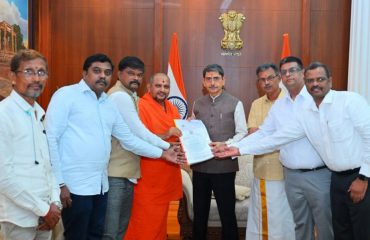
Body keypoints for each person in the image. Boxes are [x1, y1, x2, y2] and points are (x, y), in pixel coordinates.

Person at [213, 61, 370, 240]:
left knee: (354, 229)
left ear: (330, 81)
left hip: (352, 176)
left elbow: (369, 137)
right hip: (323, 178)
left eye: (320, 79)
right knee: (334, 228)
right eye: (311, 81)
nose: (315, 84)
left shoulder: (350, 100)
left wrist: (363, 177)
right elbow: (272, 135)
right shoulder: (305, 112)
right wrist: (236, 148)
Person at [45, 54, 179, 240]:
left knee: (97, 234)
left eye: (107, 72)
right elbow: (51, 139)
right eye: (97, 71)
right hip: (75, 185)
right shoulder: (67, 95)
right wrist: (59, 183)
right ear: (84, 73)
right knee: (77, 235)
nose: (103, 76)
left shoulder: (107, 103)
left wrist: (163, 152)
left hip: (101, 185)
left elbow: (129, 139)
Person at [103, 56, 176, 240]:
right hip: (117, 174)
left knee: (119, 230)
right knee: (112, 232)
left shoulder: (129, 96)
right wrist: (166, 149)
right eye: (131, 73)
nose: (135, 78)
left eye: (139, 74)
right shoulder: (120, 96)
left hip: (129, 173)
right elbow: (137, 135)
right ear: (119, 74)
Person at [0, 49, 61, 239]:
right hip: (18, 219)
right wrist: (44, 209)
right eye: (28, 72)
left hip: (45, 218)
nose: (36, 78)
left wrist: (55, 204)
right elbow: (3, 177)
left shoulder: (40, 114)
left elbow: (47, 167)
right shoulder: (4, 114)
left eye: (41, 72)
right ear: (12, 76)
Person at [191, 64, 247, 240]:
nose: (213, 82)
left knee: (227, 213)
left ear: (224, 80)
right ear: (203, 81)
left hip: (224, 167)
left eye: (216, 78)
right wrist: (187, 127)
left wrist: (226, 144)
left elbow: (242, 132)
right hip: (200, 167)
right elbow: (193, 130)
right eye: (209, 78)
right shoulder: (197, 103)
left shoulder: (236, 103)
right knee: (199, 213)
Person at [124, 73, 183, 240]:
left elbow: (179, 137)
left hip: (167, 175)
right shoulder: (140, 106)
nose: (162, 90)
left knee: (160, 225)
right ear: (149, 87)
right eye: (158, 86)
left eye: (166, 86)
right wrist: (166, 134)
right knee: (144, 223)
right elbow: (138, 138)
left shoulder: (171, 107)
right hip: (147, 178)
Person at [246, 63, 295, 239]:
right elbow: (253, 134)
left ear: (279, 78)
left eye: (270, 78)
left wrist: (266, 135)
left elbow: (287, 136)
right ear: (258, 82)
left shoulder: (290, 101)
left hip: (287, 171)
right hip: (263, 170)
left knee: (285, 219)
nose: (266, 82)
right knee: (263, 219)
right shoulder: (256, 104)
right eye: (262, 79)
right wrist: (271, 135)